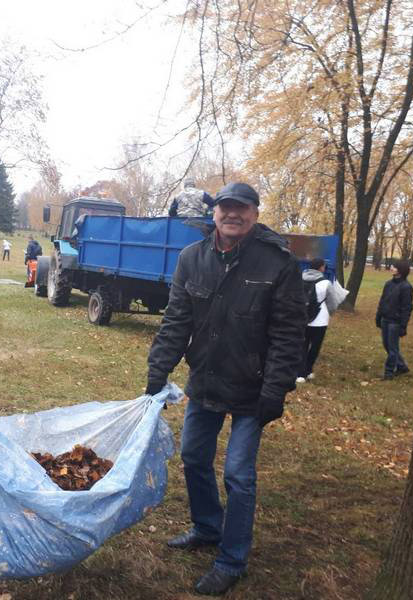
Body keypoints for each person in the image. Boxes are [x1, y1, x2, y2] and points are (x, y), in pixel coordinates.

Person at [145, 182, 305, 596]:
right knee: (193, 456)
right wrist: (157, 371)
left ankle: (232, 559)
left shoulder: (277, 262)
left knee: (238, 475)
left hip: (253, 388)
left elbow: (289, 333)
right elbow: (176, 321)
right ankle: (207, 527)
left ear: (254, 213)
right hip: (207, 378)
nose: (234, 215)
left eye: (243, 209)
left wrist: (276, 388)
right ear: (214, 213)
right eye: (226, 208)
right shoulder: (191, 258)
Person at [376, 259, 413, 379]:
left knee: (392, 348)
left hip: (395, 322)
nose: (392, 268)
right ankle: (402, 366)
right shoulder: (388, 284)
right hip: (385, 319)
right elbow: (382, 301)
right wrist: (378, 316)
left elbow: (406, 308)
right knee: (387, 345)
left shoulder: (406, 287)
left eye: (395, 267)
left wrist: (403, 325)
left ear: (401, 270)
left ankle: (389, 372)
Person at [297, 258, 331, 383]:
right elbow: (332, 302)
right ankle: (308, 370)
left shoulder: (299, 278)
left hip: (302, 317)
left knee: (302, 345)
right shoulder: (326, 283)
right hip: (320, 319)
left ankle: (300, 373)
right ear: (321, 267)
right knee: (315, 346)